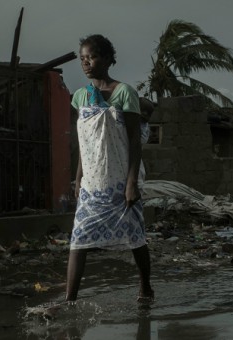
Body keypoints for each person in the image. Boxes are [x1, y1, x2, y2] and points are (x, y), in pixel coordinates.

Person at [66, 34, 153, 303]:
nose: (86, 63)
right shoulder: (80, 97)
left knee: (135, 238)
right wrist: (78, 177)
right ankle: (70, 300)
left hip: (119, 182)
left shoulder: (124, 92)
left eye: (91, 57)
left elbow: (134, 142)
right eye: (82, 58)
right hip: (93, 183)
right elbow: (85, 142)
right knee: (78, 240)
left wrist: (131, 183)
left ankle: (145, 287)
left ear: (106, 58)